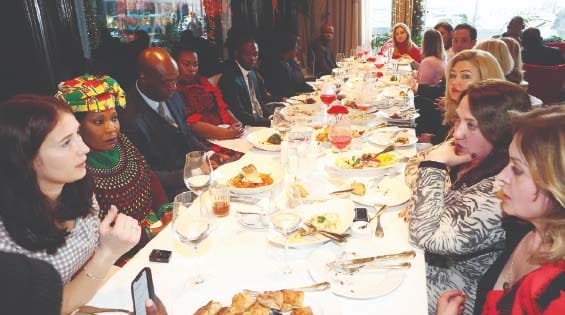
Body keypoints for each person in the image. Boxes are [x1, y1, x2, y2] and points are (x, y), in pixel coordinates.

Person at [0, 94, 140, 314]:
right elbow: (44, 308)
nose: (83, 148)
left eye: (77, 134)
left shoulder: (76, 186)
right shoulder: (6, 243)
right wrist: (107, 252)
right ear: (25, 158)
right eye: (66, 143)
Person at [409, 80, 532, 315]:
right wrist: (430, 189)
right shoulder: (473, 154)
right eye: (458, 120)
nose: (458, 132)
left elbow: (425, 236)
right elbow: (412, 167)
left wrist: (434, 168)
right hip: (423, 268)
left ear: (499, 129)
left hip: (451, 296)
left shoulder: (502, 189)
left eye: (471, 124)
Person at [437, 106, 565, 315]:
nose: (502, 176)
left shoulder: (555, 294)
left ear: (557, 184)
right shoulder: (521, 227)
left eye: (516, 169)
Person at [55, 74, 172, 264]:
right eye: (99, 122)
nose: (112, 129)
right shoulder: (74, 169)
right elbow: (97, 232)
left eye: (115, 118)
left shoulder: (122, 143)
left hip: (154, 226)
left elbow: (148, 176)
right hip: (116, 252)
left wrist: (166, 211)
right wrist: (151, 233)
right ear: (77, 128)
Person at [120, 47, 218, 199]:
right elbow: (144, 175)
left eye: (176, 80)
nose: (174, 87)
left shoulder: (171, 94)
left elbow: (186, 134)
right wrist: (191, 173)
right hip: (166, 194)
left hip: (193, 179)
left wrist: (208, 155)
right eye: (167, 82)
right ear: (144, 78)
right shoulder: (128, 117)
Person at [219, 34, 281, 127]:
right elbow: (240, 115)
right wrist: (270, 123)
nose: (252, 58)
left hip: (259, 122)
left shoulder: (252, 72)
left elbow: (260, 103)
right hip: (245, 127)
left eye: (255, 54)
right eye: (247, 54)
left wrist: (272, 117)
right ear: (237, 54)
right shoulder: (230, 79)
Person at [261, 32, 314, 98]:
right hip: (286, 101)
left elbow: (301, 82)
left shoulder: (291, 62)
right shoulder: (276, 65)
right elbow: (284, 91)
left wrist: (313, 90)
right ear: (290, 48)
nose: (298, 49)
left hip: (297, 97)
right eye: (296, 47)